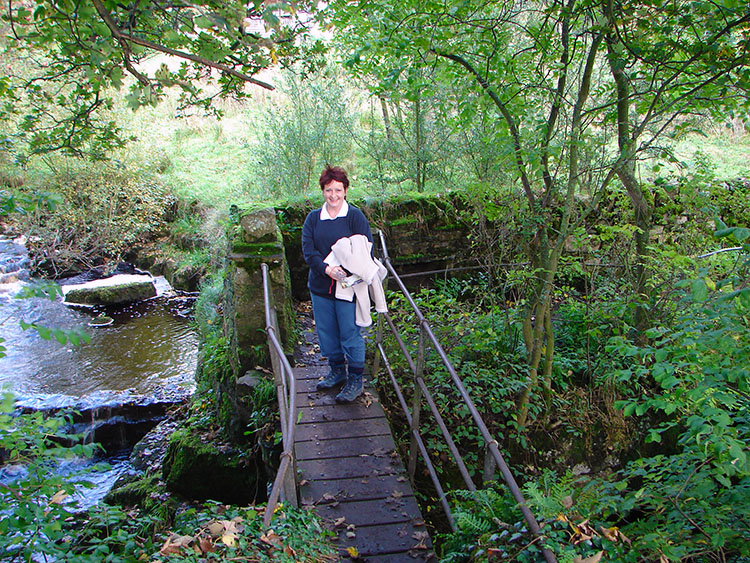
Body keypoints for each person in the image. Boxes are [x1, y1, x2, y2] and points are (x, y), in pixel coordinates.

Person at [301, 165, 373, 403]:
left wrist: (347, 272)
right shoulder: (313, 219)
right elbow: (309, 252)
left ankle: (355, 381)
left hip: (348, 288)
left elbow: (366, 250)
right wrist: (326, 269)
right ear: (322, 190)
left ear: (345, 191)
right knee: (327, 332)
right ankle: (337, 372)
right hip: (321, 286)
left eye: (338, 190)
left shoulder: (354, 217)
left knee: (350, 333)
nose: (333, 195)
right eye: (329, 190)